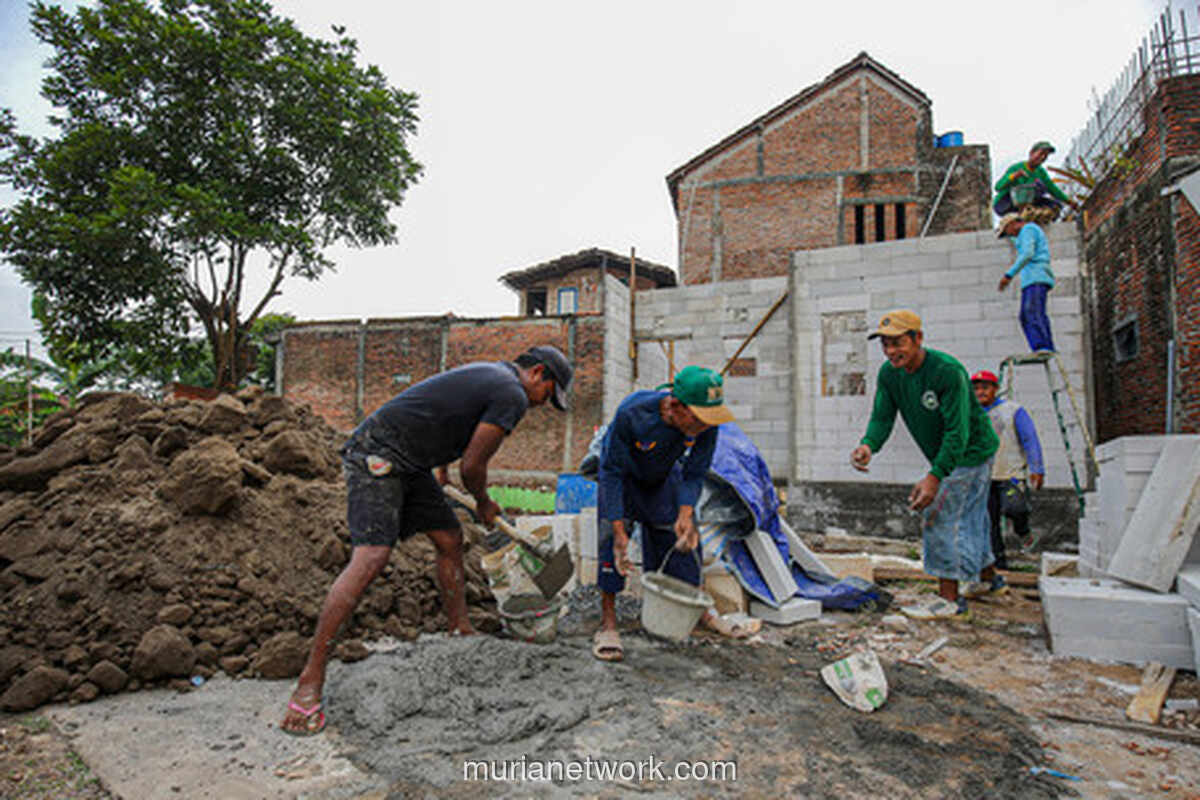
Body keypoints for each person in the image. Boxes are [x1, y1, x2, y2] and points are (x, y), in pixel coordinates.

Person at [280, 345, 573, 735]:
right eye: (548, 395)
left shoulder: (492, 375)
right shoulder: (512, 394)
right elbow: (474, 465)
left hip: (409, 460)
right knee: (372, 556)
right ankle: (310, 682)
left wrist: (440, 472)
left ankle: (460, 629)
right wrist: (484, 504)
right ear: (537, 374)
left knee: (450, 539)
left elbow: (440, 416)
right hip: (377, 455)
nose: (542, 404)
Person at [849, 310, 999, 619]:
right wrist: (868, 445)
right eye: (886, 345)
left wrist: (935, 476)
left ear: (918, 338)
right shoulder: (889, 374)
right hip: (952, 453)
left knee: (940, 513)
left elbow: (958, 432)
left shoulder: (946, 371)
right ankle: (989, 581)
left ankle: (949, 600)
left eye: (898, 343)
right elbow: (882, 416)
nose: (891, 352)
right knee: (972, 516)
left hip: (969, 451)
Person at [591, 365, 735, 661]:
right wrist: (619, 530)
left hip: (663, 478)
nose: (705, 426)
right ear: (674, 406)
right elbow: (611, 471)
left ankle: (699, 611)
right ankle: (608, 622)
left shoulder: (706, 424)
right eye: (698, 419)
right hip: (624, 481)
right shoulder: (632, 413)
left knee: (684, 542)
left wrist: (685, 513)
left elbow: (695, 472)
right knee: (610, 546)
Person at [970, 370, 1044, 580]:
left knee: (1015, 508)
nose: (980, 392)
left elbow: (1030, 439)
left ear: (994, 389)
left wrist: (1037, 468)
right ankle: (999, 566)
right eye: (976, 388)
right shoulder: (971, 414)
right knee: (989, 523)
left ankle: (1023, 531)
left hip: (1010, 473)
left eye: (985, 387)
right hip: (983, 476)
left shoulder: (1012, 410)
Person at [997, 212, 1056, 353]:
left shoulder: (1028, 229)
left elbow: (1027, 253)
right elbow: (1022, 246)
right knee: (1027, 315)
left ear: (1013, 224)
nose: (1009, 235)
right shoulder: (1024, 233)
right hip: (1032, 279)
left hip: (1036, 276)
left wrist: (1008, 275)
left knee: (1032, 312)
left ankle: (1043, 346)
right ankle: (1041, 346)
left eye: (1007, 231)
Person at [992, 140, 1079, 222]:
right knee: (1035, 187)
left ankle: (1032, 217)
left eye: (1045, 155)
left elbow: (1053, 189)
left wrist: (1069, 202)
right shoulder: (1016, 167)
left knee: (1055, 205)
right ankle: (1023, 215)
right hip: (1005, 203)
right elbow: (998, 187)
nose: (1043, 157)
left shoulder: (1041, 172)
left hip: (1027, 203)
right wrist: (1014, 176)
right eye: (1041, 153)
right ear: (1031, 153)